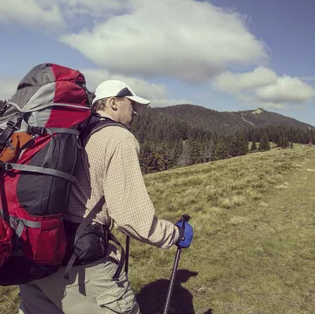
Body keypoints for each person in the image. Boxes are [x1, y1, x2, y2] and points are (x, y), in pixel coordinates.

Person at [18, 79, 193, 314]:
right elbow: (131, 218)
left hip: (33, 256)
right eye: (131, 103)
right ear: (112, 103)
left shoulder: (73, 131)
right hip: (80, 266)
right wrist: (173, 234)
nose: (136, 111)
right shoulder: (118, 138)